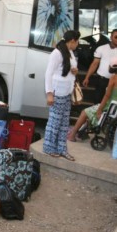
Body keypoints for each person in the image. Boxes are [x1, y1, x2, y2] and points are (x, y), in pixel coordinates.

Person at [67, 56, 117, 142]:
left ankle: (72, 135)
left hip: (109, 107)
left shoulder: (114, 78)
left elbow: (106, 96)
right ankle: (82, 133)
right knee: (91, 111)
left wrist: (99, 110)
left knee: (85, 112)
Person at [42, 30, 80, 161]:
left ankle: (62, 149)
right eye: (77, 41)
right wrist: (49, 94)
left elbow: (68, 70)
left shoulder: (70, 52)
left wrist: (75, 71)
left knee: (64, 123)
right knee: (54, 122)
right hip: (57, 93)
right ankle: (49, 147)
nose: (78, 44)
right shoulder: (57, 53)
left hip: (67, 93)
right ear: (73, 41)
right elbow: (48, 74)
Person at [83, 29, 117, 104]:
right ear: (111, 37)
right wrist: (87, 77)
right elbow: (94, 64)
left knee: (115, 102)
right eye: (116, 37)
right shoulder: (101, 48)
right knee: (98, 102)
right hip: (102, 80)